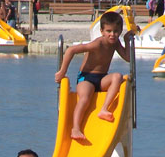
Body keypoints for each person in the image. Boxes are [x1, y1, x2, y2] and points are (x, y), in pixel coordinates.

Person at [54, 11, 134, 140]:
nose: (112, 35)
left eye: (116, 31)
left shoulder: (116, 42)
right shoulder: (98, 43)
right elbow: (71, 50)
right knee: (85, 98)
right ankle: (75, 128)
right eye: (108, 31)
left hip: (102, 78)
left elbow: (127, 58)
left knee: (118, 77)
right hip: (86, 78)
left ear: (120, 31)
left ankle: (104, 109)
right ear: (102, 31)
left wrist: (126, 41)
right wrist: (63, 71)